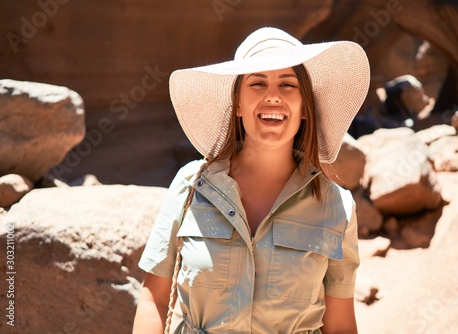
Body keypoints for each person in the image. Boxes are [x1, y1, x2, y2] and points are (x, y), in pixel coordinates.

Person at [133, 27, 370, 334]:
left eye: (288, 84)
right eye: (257, 83)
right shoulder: (191, 185)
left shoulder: (338, 206)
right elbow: (154, 297)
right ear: (238, 104)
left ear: (305, 109)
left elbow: (339, 326)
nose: (273, 95)